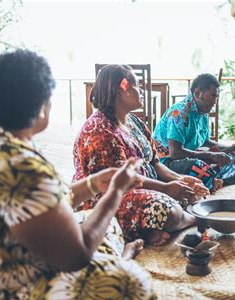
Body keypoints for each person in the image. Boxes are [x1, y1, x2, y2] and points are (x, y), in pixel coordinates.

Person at [0, 50, 155, 300]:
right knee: (132, 282)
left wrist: (92, 184)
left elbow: (45, 202)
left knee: (105, 222)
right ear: (41, 104)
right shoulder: (20, 165)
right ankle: (120, 265)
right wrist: (115, 192)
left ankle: (116, 258)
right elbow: (75, 256)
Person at [73, 64, 209, 246]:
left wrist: (180, 179)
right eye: (137, 85)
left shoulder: (133, 121)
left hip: (144, 188)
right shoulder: (99, 131)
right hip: (110, 197)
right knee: (168, 210)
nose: (143, 90)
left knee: (189, 193)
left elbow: (155, 163)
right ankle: (191, 218)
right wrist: (167, 189)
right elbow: (119, 183)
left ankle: (147, 229)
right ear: (121, 90)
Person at [153, 73, 235, 192]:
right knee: (197, 165)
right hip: (167, 163)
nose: (215, 101)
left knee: (233, 157)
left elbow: (206, 142)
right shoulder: (179, 112)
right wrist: (210, 156)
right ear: (197, 93)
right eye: (213, 96)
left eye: (217, 97)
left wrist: (230, 148)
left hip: (187, 156)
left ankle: (210, 179)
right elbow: (175, 153)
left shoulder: (203, 112)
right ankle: (211, 178)